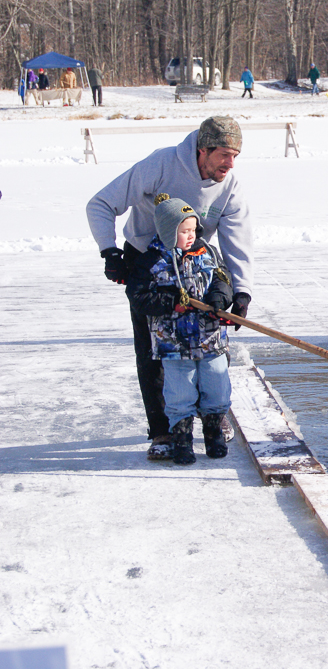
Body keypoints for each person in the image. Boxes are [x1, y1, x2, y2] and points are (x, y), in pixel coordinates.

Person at [86, 116, 254, 459]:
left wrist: (241, 292)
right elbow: (101, 204)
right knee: (154, 348)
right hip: (148, 264)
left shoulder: (229, 186)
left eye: (235, 155)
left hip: (199, 265)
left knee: (207, 347)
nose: (230, 163)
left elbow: (238, 241)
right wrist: (110, 251)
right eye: (224, 154)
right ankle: (163, 431)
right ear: (202, 150)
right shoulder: (160, 164)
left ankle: (211, 415)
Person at [126, 195, 234, 465]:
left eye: (193, 230)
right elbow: (138, 297)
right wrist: (171, 302)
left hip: (210, 339)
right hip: (173, 344)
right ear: (166, 230)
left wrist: (220, 298)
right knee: (180, 393)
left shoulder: (207, 252)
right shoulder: (151, 261)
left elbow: (222, 279)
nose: (191, 235)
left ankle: (213, 433)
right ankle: (182, 439)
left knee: (217, 387)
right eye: (184, 231)